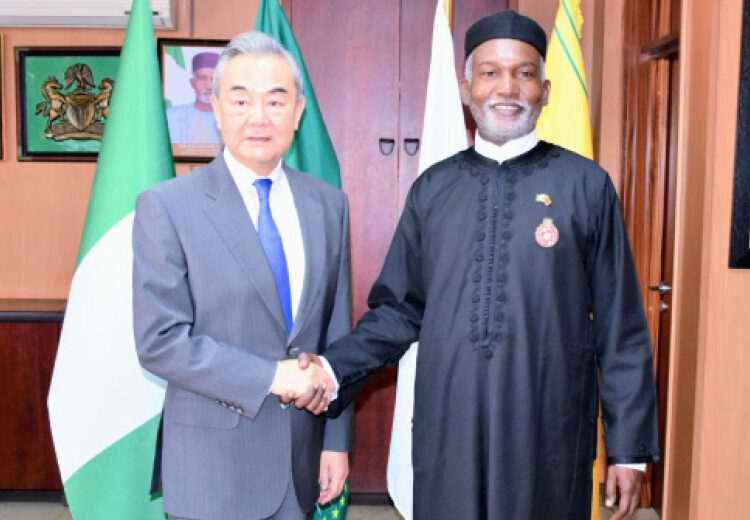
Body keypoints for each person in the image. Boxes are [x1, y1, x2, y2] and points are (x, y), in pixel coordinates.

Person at [294, 10, 659, 520]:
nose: (506, 88)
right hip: (451, 425)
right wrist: (334, 368)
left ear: (546, 90)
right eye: (490, 73)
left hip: (547, 429)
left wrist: (630, 449)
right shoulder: (433, 189)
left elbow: (621, 326)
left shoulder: (587, 186)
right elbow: (397, 312)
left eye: (524, 73)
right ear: (467, 90)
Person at [133, 30, 349, 520]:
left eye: (276, 101)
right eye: (241, 99)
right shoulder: (167, 207)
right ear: (215, 106)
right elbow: (160, 341)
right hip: (212, 472)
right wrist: (272, 375)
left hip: (300, 463)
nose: (259, 117)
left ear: (298, 112)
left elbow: (335, 335)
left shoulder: (328, 204)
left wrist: (335, 439)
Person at [166, 51, 222, 144]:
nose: (209, 86)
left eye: (214, 79)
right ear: (192, 83)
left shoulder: (233, 118)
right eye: (203, 78)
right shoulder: (172, 116)